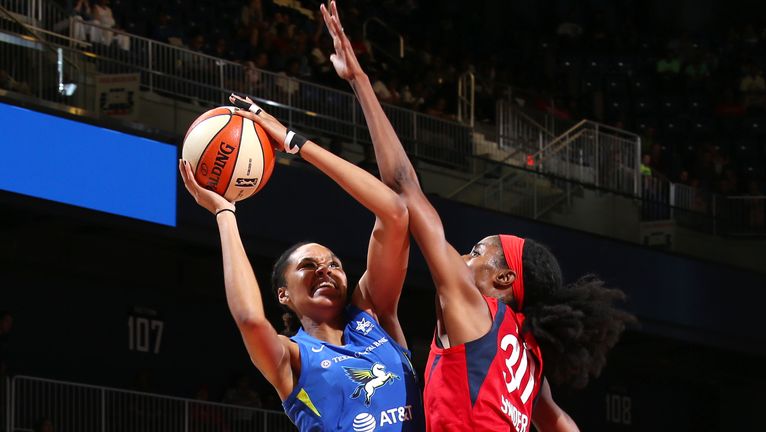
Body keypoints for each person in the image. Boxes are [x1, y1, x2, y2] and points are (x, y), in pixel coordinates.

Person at [320, 2, 636, 431]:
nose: (463, 259)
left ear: (503, 280)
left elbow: (403, 185)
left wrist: (359, 81)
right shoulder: (529, 357)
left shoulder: (473, 307)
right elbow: (560, 422)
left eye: (475, 252)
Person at [178, 95, 424, 431]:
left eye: (334, 264)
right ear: (284, 294)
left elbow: (395, 213)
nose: (324, 268)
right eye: (308, 266)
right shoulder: (291, 357)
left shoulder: (375, 315)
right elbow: (250, 319)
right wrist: (224, 213)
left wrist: (296, 142)